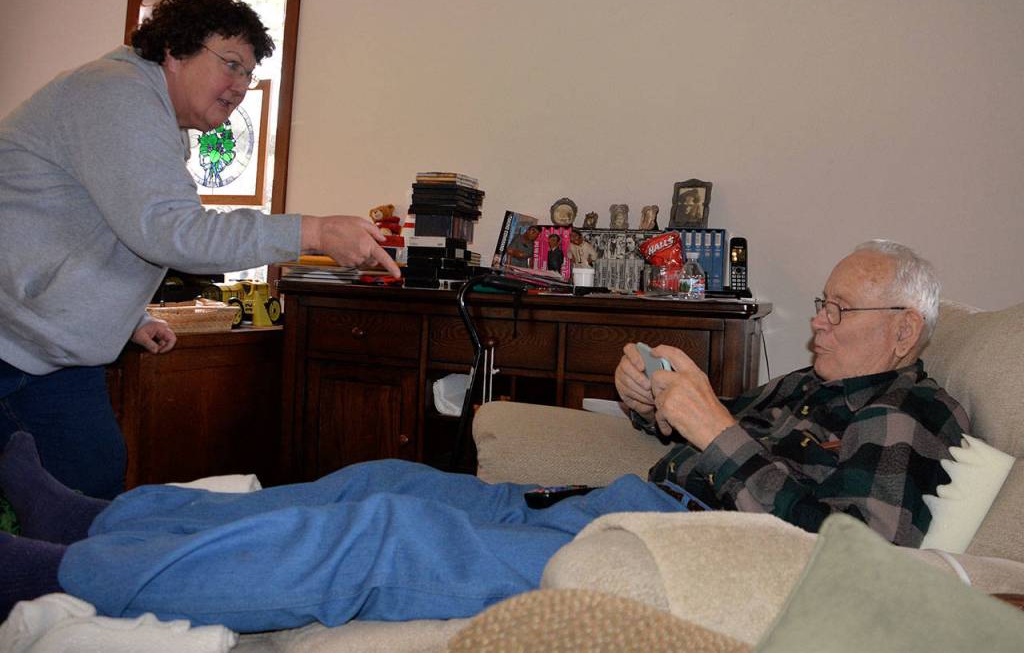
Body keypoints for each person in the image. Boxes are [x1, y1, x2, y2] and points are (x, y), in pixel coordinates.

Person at [0, 240, 966, 631]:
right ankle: (100, 520)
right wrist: (646, 402)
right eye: (826, 305)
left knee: (383, 535)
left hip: (659, 551)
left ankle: (61, 575)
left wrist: (712, 428)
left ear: (906, 329)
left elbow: (858, 554)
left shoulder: (912, 415)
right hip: (613, 504)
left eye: (841, 309)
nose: (819, 322)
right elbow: (705, 446)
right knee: (378, 474)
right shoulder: (805, 385)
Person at [0, 0, 399, 500]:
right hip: (12, 341)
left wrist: (126, 317)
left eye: (248, 75)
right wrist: (313, 231)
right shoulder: (115, 92)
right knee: (79, 491)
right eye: (230, 64)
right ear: (174, 50)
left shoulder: (155, 118)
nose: (239, 87)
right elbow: (170, 230)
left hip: (47, 352)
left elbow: (107, 229)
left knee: (91, 479)